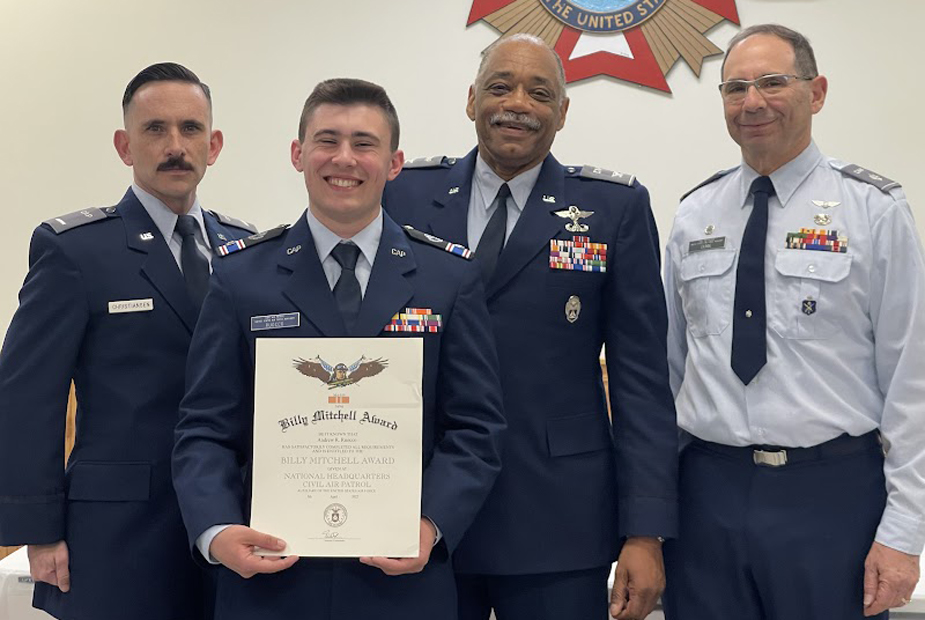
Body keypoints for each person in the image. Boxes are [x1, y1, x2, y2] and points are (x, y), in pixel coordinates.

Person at [171, 78, 506, 620]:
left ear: (394, 163)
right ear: (298, 154)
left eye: (364, 143)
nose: (344, 158)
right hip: (271, 581)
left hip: (401, 583)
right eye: (327, 140)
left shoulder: (449, 277)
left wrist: (431, 526)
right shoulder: (240, 277)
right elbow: (206, 426)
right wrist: (216, 530)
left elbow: (476, 427)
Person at [383, 34, 677, 620]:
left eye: (539, 93)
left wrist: (645, 532)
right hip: (419, 512)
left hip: (558, 518)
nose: (517, 103)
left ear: (562, 112)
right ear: (471, 100)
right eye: (500, 87)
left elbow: (640, 379)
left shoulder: (612, 209)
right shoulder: (404, 194)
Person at [662, 23, 925, 620]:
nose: (752, 101)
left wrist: (904, 531)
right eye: (735, 88)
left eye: (773, 83)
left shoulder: (873, 211)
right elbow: (670, 371)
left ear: (818, 91)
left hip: (831, 496)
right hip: (707, 494)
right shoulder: (693, 214)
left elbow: (914, 382)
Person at [0, 63, 255, 620]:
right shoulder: (76, 252)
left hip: (228, 522)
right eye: (154, 129)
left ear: (213, 145)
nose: (174, 146)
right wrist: (37, 532)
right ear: (124, 145)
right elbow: (26, 397)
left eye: (190, 130)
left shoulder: (248, 252)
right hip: (119, 531)